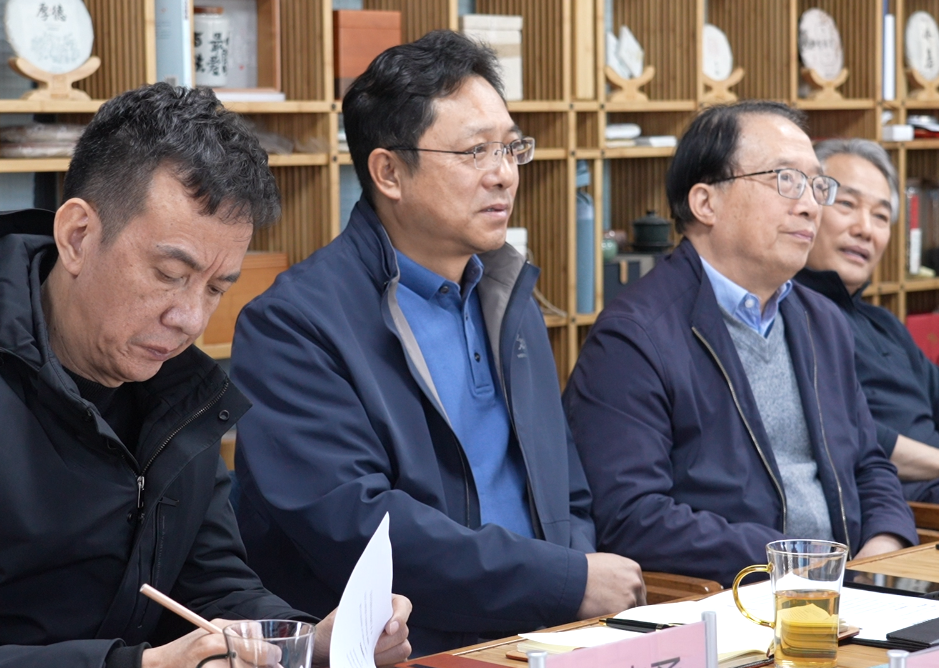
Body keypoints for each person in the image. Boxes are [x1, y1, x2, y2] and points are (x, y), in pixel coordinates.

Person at [0, 83, 411, 668]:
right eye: (169, 274)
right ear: (78, 236)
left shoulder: (176, 389)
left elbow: (214, 591)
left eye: (215, 288)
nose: (190, 318)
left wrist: (311, 642)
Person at [230, 30, 645, 656]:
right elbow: (359, 529)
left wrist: (574, 610)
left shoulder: (505, 293)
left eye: (510, 148)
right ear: (389, 172)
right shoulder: (292, 324)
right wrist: (563, 581)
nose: (503, 175)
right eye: (475, 152)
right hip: (412, 649)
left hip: (548, 636)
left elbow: (565, 487)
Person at [563, 101, 918, 586]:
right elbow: (630, 516)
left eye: (817, 185)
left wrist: (884, 546)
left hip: (843, 588)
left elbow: (868, 462)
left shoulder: (822, 320)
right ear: (705, 203)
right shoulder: (635, 335)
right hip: (736, 597)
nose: (810, 205)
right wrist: (792, 563)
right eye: (786, 180)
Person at [795, 138, 939, 529]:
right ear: (805, 207)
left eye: (881, 216)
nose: (865, 229)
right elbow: (841, 430)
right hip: (901, 499)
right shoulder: (789, 315)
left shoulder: (884, 324)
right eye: (847, 204)